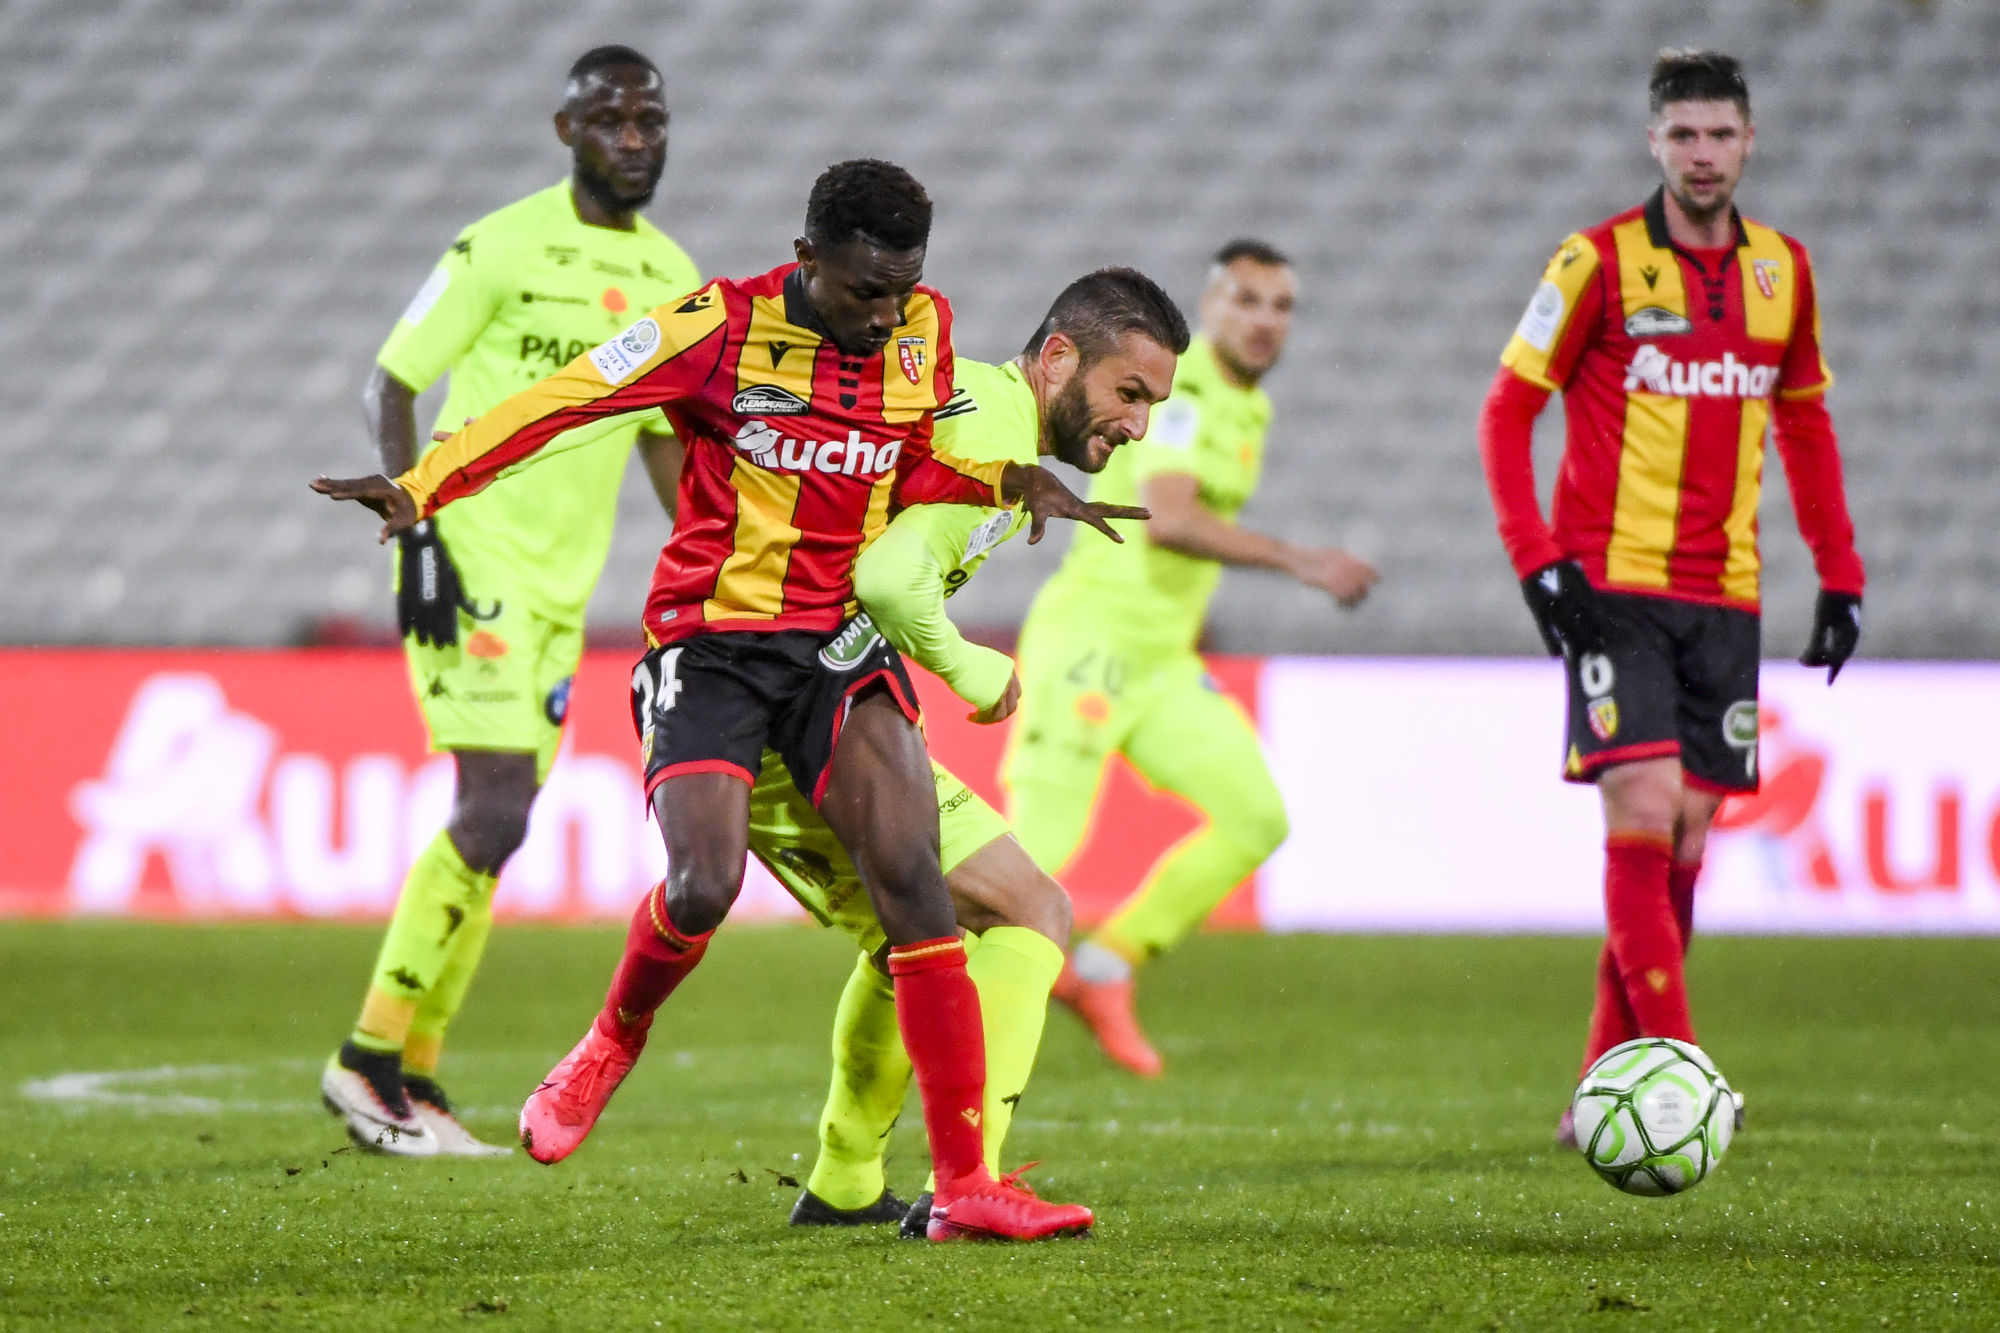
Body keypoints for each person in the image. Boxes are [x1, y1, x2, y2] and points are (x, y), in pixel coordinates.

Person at [316, 159, 1126, 1242]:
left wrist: (1005, 481)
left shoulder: (921, 330)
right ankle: (609, 1038)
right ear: (806, 264)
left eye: (901, 289)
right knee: (702, 884)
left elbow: (909, 464)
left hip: (833, 655)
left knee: (915, 884)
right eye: (860, 293)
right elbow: (563, 402)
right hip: (712, 648)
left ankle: (965, 1179)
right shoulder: (713, 328)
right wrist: (422, 486)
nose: (883, 316)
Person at [1475, 49, 1864, 1143]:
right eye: (1681, 136)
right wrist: (1536, 559)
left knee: (1685, 842)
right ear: (1653, 142)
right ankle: (1687, 1075)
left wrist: (1839, 574)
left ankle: (1599, 1086)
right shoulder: (1594, 261)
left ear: (1748, 142)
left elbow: (1803, 424)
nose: (1701, 155)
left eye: (1719, 135)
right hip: (1611, 586)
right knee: (1644, 810)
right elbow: (1506, 411)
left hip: (1724, 595)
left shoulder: (1782, 272)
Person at [317, 45, 698, 1158]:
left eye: (650, 120)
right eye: (611, 120)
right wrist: (416, 522)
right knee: (491, 809)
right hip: (465, 556)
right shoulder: (501, 243)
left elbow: (668, 446)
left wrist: (713, 560)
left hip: (556, 590)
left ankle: (416, 1076)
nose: (634, 138)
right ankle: (367, 1062)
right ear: (566, 131)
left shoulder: (675, 281)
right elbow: (392, 379)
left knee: (506, 822)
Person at [759, 269, 1188, 1235]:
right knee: (1031, 908)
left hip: (785, 699)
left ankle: (846, 1180)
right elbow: (890, 579)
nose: (1139, 426)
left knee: (909, 930)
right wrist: (972, 670)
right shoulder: (995, 434)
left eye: (1154, 405)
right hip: (792, 714)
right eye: (1130, 394)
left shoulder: (981, 411)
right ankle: (971, 1185)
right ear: (1060, 356)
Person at [1001, 239, 1378, 1078]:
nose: (1264, 321)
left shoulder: (1249, 406)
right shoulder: (1183, 392)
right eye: (1245, 300)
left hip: (1163, 660)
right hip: (1093, 643)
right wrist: (1305, 561)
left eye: (1281, 306)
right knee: (1038, 848)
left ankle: (1103, 967)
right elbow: (1167, 516)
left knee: (1256, 816)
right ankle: (925, 984)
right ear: (1209, 309)